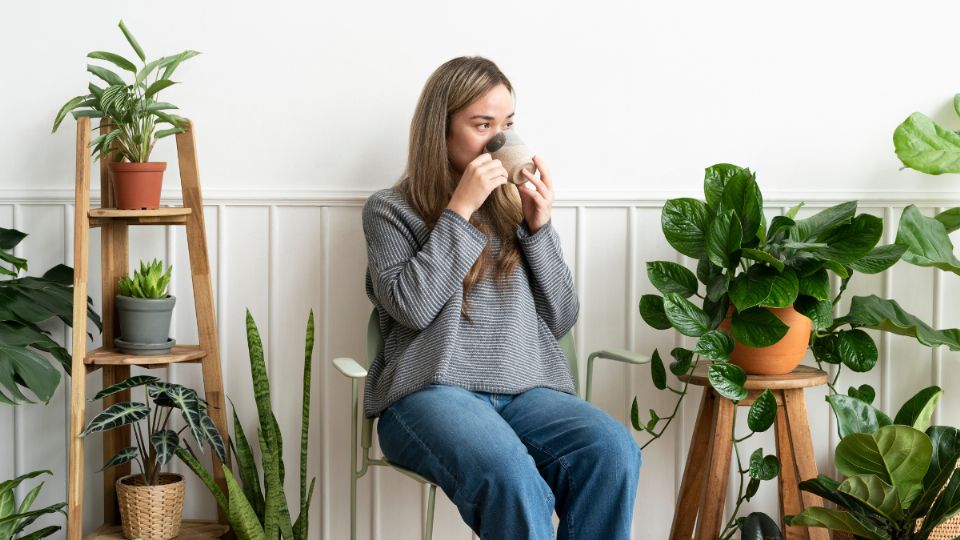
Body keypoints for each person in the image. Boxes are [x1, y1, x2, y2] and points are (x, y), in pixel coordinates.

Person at [361, 56, 641, 540]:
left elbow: (560, 317)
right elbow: (411, 306)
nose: (499, 139)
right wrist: (460, 210)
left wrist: (539, 227)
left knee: (613, 449)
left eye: (507, 124)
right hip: (428, 394)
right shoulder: (390, 210)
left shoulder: (513, 208)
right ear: (439, 130)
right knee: (508, 472)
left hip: (526, 390)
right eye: (482, 124)